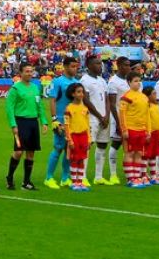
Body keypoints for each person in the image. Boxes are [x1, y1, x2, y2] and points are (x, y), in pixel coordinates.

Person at [5, 62, 47, 191]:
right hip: (21, 122)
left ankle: (26, 181)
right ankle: (10, 177)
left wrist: (43, 122)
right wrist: (13, 124)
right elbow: (9, 108)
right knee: (18, 151)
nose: (29, 74)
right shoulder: (15, 89)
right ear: (21, 73)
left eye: (31, 71)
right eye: (27, 71)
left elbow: (39, 106)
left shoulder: (35, 88)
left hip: (33, 122)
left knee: (31, 153)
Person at [44, 55, 80, 189]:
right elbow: (52, 100)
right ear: (65, 67)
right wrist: (54, 119)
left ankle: (65, 177)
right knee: (58, 148)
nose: (75, 69)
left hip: (74, 120)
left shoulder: (76, 81)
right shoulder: (58, 82)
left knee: (69, 149)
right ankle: (49, 177)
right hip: (61, 119)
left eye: (76, 66)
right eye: (72, 66)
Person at [79, 55, 111, 187]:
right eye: (97, 64)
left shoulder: (102, 80)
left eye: (100, 63)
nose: (100, 66)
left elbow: (107, 99)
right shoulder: (84, 80)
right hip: (92, 118)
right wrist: (99, 115)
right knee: (88, 145)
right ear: (89, 66)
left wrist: (107, 115)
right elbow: (85, 100)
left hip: (104, 117)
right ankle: (83, 177)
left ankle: (98, 176)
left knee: (102, 145)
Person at [104, 56, 132, 185]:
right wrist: (119, 122)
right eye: (126, 65)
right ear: (119, 66)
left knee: (133, 146)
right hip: (119, 118)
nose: (128, 67)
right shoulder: (113, 82)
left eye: (129, 65)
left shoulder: (131, 80)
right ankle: (113, 174)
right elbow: (112, 103)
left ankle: (133, 173)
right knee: (116, 144)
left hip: (132, 118)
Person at [118, 74, 149, 188]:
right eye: (135, 81)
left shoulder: (144, 97)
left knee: (139, 153)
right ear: (129, 83)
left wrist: (147, 130)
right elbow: (122, 114)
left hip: (141, 129)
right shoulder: (126, 97)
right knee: (129, 153)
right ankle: (130, 178)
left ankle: (137, 177)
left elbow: (147, 115)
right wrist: (124, 129)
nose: (138, 83)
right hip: (130, 129)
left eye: (139, 81)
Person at [63, 84, 91, 192]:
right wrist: (69, 139)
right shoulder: (69, 108)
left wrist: (89, 139)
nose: (81, 94)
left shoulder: (85, 108)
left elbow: (87, 125)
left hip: (83, 136)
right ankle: (74, 182)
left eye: (82, 92)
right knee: (74, 159)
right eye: (79, 92)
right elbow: (67, 125)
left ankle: (80, 181)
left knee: (82, 159)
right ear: (73, 94)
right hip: (74, 136)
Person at [144, 86, 159, 185]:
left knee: (153, 155)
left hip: (156, 133)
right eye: (153, 93)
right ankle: (143, 175)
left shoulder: (156, 106)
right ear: (147, 96)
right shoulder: (146, 106)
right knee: (146, 155)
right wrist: (147, 133)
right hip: (150, 133)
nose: (156, 95)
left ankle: (153, 175)